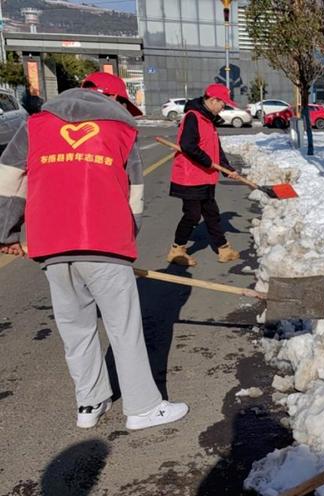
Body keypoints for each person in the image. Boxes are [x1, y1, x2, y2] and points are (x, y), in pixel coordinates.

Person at [0, 71, 188, 431]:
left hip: (52, 244)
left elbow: (9, 177)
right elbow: (134, 196)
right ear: (115, 100)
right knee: (124, 328)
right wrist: (124, 237)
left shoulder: (36, 125)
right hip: (104, 241)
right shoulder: (122, 131)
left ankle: (90, 402)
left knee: (76, 327)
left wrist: (5, 232)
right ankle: (143, 407)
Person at [166, 83, 241, 267]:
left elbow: (216, 150)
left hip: (206, 177)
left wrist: (227, 168)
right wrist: (208, 162)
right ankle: (177, 250)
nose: (224, 107)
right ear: (213, 100)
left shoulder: (208, 120)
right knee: (192, 215)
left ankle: (223, 248)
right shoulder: (193, 117)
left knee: (211, 214)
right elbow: (188, 145)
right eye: (223, 103)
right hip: (190, 177)